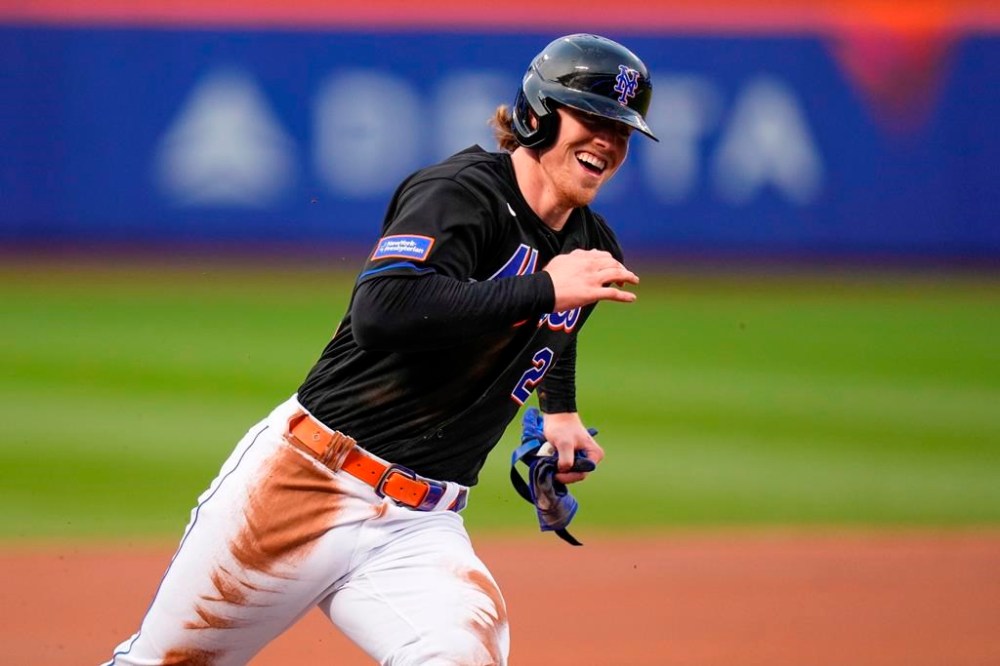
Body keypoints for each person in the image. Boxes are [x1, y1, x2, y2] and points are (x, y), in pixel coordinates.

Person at [105, 32, 657, 666]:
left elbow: (556, 323)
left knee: (459, 656)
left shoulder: (588, 242)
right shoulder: (461, 193)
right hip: (306, 482)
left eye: (622, 129)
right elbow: (382, 311)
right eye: (590, 117)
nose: (608, 142)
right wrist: (543, 287)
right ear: (536, 113)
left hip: (419, 527)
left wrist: (558, 412)